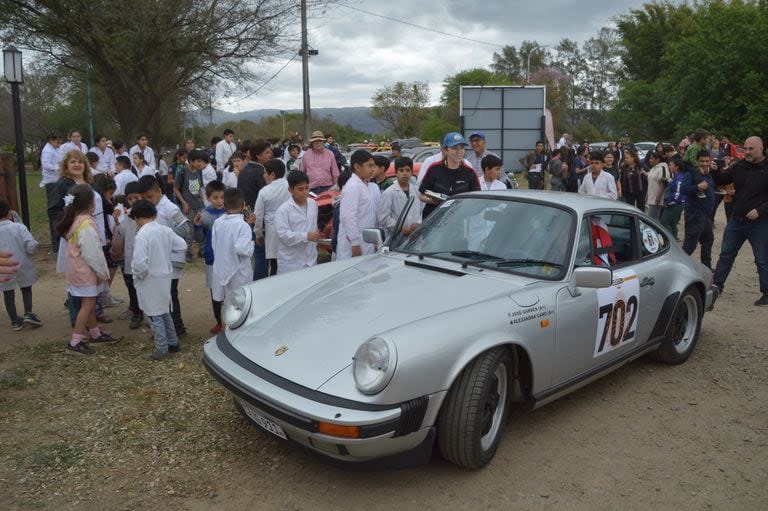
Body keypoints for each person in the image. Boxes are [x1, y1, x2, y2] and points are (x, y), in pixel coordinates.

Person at [57, 184, 119, 355]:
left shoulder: (75, 219)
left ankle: (94, 332)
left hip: (76, 270)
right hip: (86, 270)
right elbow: (93, 253)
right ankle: (75, 340)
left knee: (88, 303)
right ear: (91, 203)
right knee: (89, 303)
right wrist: (101, 272)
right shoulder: (86, 224)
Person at [712, 136, 768, 305]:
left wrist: (760, 210)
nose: (747, 152)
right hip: (737, 221)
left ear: (762, 148)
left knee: (762, 259)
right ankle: (716, 286)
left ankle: (766, 292)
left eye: (751, 149)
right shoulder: (740, 166)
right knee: (726, 255)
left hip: (760, 223)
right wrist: (715, 170)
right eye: (745, 149)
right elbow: (722, 180)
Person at [131, 200, 186, 360]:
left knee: (154, 315)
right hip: (165, 277)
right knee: (164, 311)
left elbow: (140, 263)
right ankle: (173, 342)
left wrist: (139, 274)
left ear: (136, 218)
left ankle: (161, 348)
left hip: (149, 279)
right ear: (154, 215)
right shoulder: (165, 230)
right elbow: (181, 245)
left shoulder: (142, 234)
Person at [138, 175, 191, 336]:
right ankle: (168, 327)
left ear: (159, 191)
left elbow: (185, 229)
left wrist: (163, 234)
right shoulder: (151, 209)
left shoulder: (170, 208)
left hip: (171, 260)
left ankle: (177, 327)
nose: (147, 200)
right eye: (143, 198)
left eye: (149, 197)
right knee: (162, 294)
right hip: (159, 260)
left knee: (170, 294)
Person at [0, 199, 42, 331]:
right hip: (23, 263)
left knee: (8, 292)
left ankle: (14, 321)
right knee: (26, 288)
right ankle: (28, 313)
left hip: (4, 267)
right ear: (9, 213)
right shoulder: (19, 227)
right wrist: (31, 251)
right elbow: (31, 245)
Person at [418, 132, 480, 218]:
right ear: (445, 150)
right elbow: (421, 195)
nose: (459, 151)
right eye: (455, 148)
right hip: (433, 219)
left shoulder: (469, 172)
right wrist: (437, 201)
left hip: (457, 221)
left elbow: (477, 198)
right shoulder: (434, 169)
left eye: (462, 148)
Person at [211, 188, 255, 307]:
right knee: (242, 306)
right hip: (239, 273)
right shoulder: (243, 226)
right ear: (243, 205)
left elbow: (214, 244)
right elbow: (242, 249)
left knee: (228, 306)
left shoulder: (218, 222)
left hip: (222, 269)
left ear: (224, 205)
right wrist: (252, 244)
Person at [193, 181, 227, 334]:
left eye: (222, 197)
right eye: (215, 198)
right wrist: (198, 226)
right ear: (208, 198)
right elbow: (200, 239)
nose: (219, 201)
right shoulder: (204, 215)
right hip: (212, 258)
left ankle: (232, 320)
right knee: (215, 292)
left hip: (228, 258)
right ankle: (219, 322)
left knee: (230, 290)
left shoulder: (231, 213)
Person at [110, 182, 143, 329]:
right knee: (131, 287)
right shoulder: (126, 216)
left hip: (145, 259)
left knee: (146, 287)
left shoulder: (149, 214)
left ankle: (149, 314)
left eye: (137, 197)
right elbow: (119, 234)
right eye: (130, 199)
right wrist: (117, 220)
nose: (134, 201)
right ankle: (136, 313)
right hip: (129, 259)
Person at [275, 171, 322, 273]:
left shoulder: (313, 204)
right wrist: (306, 236)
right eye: (300, 189)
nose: (305, 192)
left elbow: (313, 225)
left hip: (311, 258)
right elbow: (283, 235)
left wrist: (315, 235)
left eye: (307, 188)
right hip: (291, 262)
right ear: (290, 190)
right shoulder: (283, 210)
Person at [337, 150, 379, 259]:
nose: (373, 169)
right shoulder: (352, 186)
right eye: (369, 166)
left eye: (374, 166)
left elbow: (373, 214)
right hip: (354, 243)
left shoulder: (370, 186)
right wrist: (354, 243)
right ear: (357, 167)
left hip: (367, 239)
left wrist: (375, 238)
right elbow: (348, 217)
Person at [254, 159, 290, 276]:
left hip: (272, 230)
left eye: (265, 172)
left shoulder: (264, 191)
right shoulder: (290, 186)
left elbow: (258, 216)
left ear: (272, 174)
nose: (263, 175)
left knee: (275, 263)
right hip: (290, 227)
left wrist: (258, 233)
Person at [681, 150, 715, 270]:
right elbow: (683, 190)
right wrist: (697, 187)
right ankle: (679, 267)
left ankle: (706, 268)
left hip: (706, 216)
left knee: (708, 240)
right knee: (690, 246)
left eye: (707, 161)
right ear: (697, 161)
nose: (705, 163)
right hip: (695, 215)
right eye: (702, 161)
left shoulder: (709, 173)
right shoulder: (691, 174)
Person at [377, 156, 422, 241]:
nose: (404, 174)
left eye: (407, 170)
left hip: (415, 236)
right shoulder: (389, 192)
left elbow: (422, 211)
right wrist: (400, 227)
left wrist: (418, 224)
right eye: (401, 170)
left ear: (412, 173)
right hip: (396, 237)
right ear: (396, 173)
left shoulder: (417, 191)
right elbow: (383, 218)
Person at [175, 149, 206, 260]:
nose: (200, 164)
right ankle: (187, 252)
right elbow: (176, 189)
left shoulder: (199, 172)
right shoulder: (182, 172)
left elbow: (201, 188)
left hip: (199, 205)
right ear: (191, 161)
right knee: (189, 230)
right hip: (188, 206)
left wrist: (203, 202)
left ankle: (202, 250)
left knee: (201, 228)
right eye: (198, 161)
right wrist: (184, 203)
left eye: (201, 161)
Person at [41, 133, 64, 252]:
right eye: (57, 142)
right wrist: (58, 167)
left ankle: (60, 242)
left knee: (61, 210)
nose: (59, 145)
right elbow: (45, 165)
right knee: (55, 211)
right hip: (51, 182)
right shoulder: (47, 150)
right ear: (51, 140)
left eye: (60, 143)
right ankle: (56, 244)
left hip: (58, 180)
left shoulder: (56, 149)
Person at [660, 156, 685, 241]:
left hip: (674, 205)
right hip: (675, 204)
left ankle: (670, 241)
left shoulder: (679, 177)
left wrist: (669, 202)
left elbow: (678, 193)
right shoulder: (676, 176)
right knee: (672, 223)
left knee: (664, 222)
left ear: (677, 166)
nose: (669, 167)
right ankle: (674, 239)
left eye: (671, 165)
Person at [645, 151, 671, 220]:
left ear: (657, 160)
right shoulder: (653, 168)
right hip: (651, 199)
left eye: (651, 158)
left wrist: (658, 198)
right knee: (652, 220)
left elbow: (664, 183)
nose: (649, 160)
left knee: (653, 220)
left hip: (657, 201)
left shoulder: (662, 169)